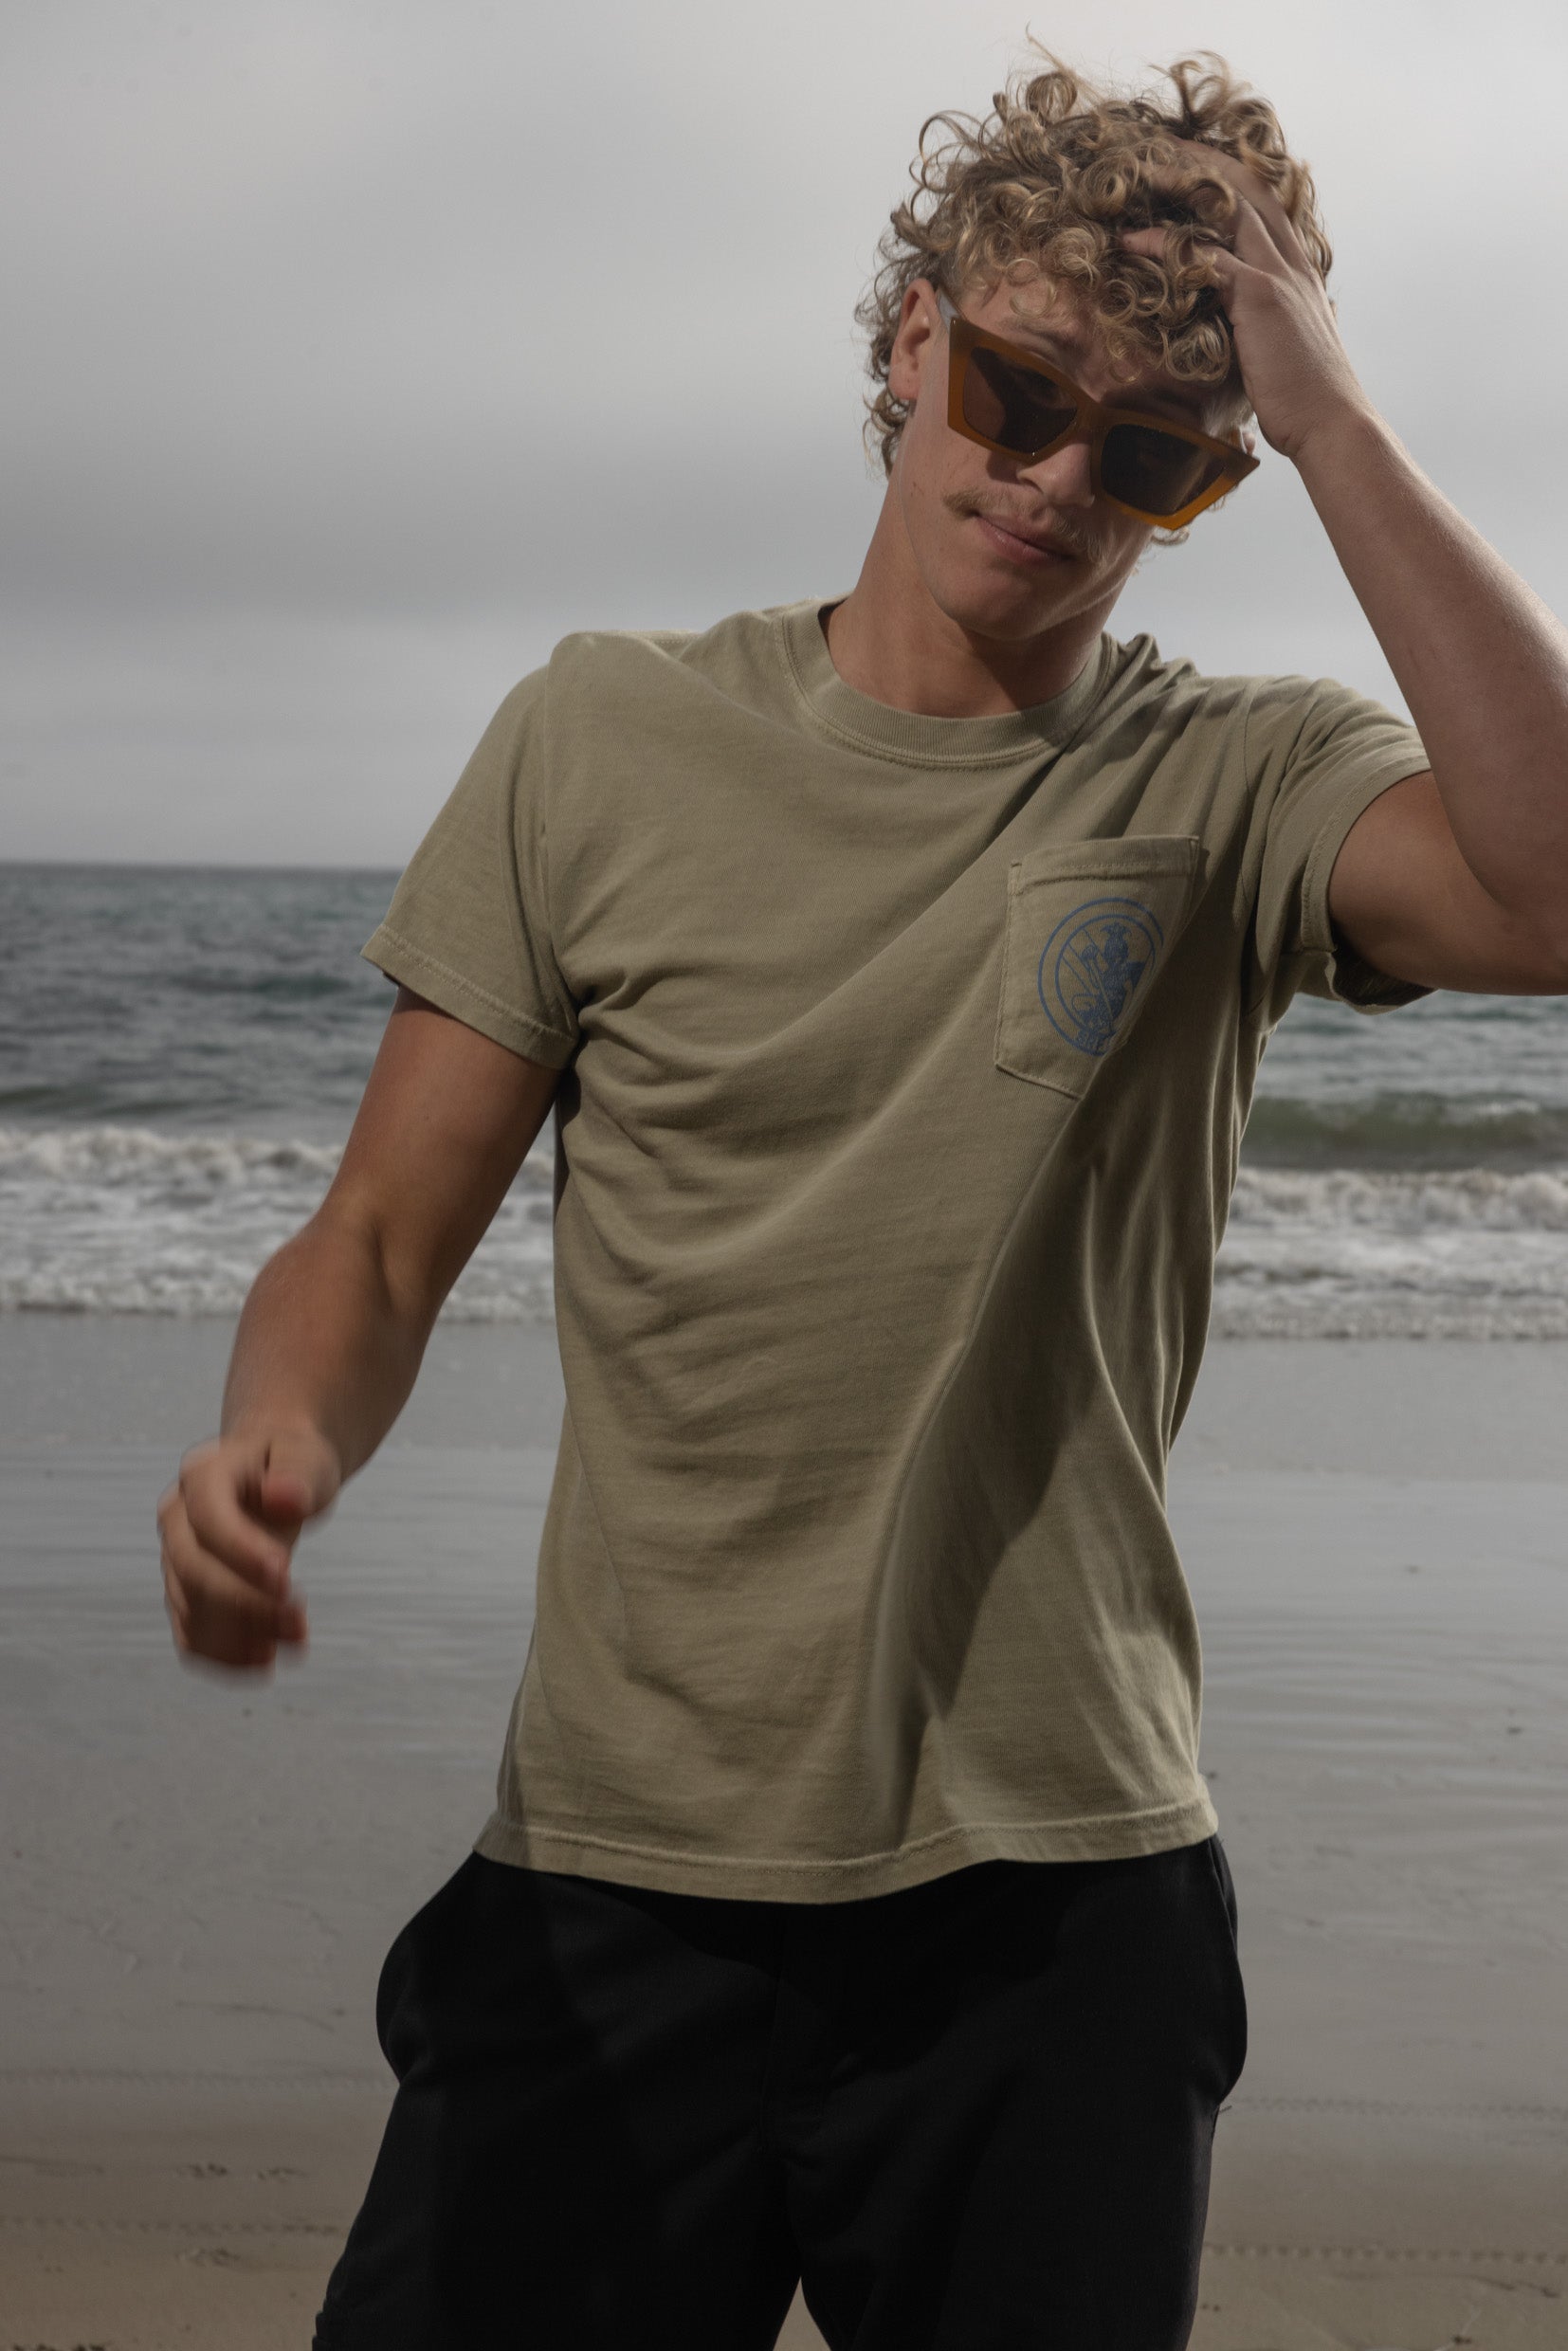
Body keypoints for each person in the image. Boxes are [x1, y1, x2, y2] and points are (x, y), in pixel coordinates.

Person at [155, 45, 1568, 2351]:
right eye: (1016, 390)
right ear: (912, 334)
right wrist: (277, 1438)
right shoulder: (597, 735)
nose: (1055, 479)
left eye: (1148, 453)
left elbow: (1549, 889)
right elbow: (382, 1240)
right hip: (614, 1865)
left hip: (1058, 1896)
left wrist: (1328, 424)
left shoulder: (1231, 778)